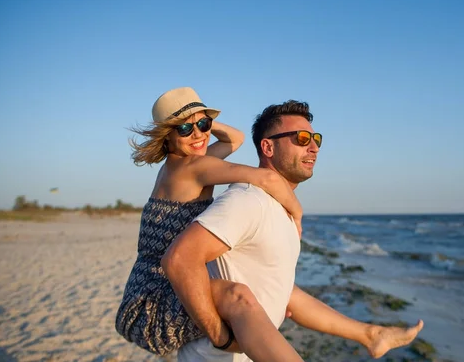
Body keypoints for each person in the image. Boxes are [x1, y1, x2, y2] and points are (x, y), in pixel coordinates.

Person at [162, 100, 424, 362]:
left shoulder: (279, 209)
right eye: (301, 138)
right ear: (268, 146)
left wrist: (368, 333)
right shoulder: (248, 201)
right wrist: (220, 337)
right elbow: (181, 259)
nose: (314, 147)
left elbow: (283, 291)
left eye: (316, 139)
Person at [115, 87, 305, 357]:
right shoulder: (193, 168)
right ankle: (226, 341)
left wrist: (195, 121)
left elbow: (236, 139)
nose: (198, 135)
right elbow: (269, 179)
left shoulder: (178, 165)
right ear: (166, 135)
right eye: (184, 129)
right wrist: (297, 215)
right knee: (238, 296)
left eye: (204, 125)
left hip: (142, 293)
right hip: (152, 303)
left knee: (272, 294)